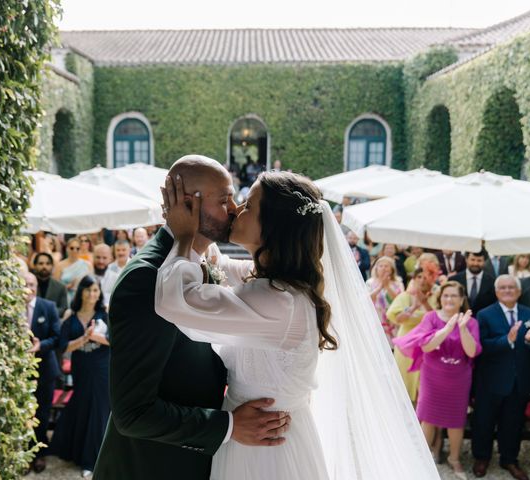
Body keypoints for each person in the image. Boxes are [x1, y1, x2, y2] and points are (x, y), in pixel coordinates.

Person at [152, 167, 439, 479]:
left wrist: (183, 236)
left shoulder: (280, 302)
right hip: (254, 437)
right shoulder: (273, 282)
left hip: (270, 453)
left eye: (248, 205)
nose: (235, 209)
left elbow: (174, 299)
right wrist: (201, 220)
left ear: (273, 228)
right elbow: (218, 265)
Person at [92, 156, 293, 480]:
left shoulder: (198, 262)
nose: (234, 208)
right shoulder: (147, 278)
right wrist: (228, 426)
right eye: (224, 199)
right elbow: (132, 413)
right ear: (187, 204)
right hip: (148, 467)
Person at [394, 282, 481, 479]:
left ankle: (454, 458)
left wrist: (463, 328)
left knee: (456, 420)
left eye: (453, 296)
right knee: (428, 418)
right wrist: (448, 328)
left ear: (461, 300)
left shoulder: (471, 322)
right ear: (440, 298)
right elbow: (426, 346)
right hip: (433, 374)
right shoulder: (431, 317)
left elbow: (471, 351)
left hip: (459, 377)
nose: (449, 299)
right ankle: (422, 459)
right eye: (445, 296)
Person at [49, 275, 111, 478]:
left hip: (102, 367)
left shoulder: (105, 313)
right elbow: (64, 346)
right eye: (88, 290)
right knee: (82, 402)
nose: (92, 294)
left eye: (95, 290)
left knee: (99, 408)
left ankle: (91, 460)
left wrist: (94, 337)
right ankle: (73, 448)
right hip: (81, 366)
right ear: (81, 292)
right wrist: (84, 338)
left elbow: (115, 340)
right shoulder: (71, 315)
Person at [471, 275, 530, 480]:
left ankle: (509, 460)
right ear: (497, 292)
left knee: (513, 423)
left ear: (519, 291)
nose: (507, 290)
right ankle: (482, 457)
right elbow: (482, 347)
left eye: (511, 287)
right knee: (484, 422)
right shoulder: (484, 315)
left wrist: (529, 342)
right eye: (503, 287)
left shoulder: (529, 313)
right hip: (490, 379)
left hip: (519, 380)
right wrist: (507, 340)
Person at [21, 272, 61, 474]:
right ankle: (23, 454)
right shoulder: (12, 307)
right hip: (20, 371)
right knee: (22, 412)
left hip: (45, 369)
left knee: (42, 412)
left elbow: (56, 337)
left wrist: (40, 346)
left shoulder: (48, 306)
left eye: (33, 284)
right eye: (26, 283)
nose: (30, 287)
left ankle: (39, 453)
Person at [386, 267, 437, 403]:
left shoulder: (437, 296)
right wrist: (414, 307)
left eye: (426, 277)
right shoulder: (404, 296)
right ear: (413, 279)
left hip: (428, 343)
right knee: (404, 377)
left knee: (424, 382)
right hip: (406, 343)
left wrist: (424, 303)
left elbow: (437, 319)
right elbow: (398, 318)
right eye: (419, 277)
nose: (422, 280)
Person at [366, 256, 404, 345]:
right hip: (377, 317)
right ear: (376, 268)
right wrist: (380, 287)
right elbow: (367, 300)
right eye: (381, 266)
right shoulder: (370, 282)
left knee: (393, 346)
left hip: (393, 318)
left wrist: (387, 287)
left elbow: (401, 300)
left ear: (391, 269)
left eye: (386, 266)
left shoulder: (398, 282)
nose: (383, 268)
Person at [53, 237, 93, 304]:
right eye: (72, 248)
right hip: (65, 298)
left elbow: (92, 284)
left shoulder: (87, 265)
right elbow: (55, 286)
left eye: (77, 248)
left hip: (84, 299)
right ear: (67, 249)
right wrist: (67, 286)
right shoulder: (59, 266)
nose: (75, 250)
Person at [33, 252, 68, 319]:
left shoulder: (60, 287)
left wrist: (48, 314)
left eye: (48, 264)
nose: (44, 266)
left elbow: (63, 308)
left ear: (52, 266)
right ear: (35, 266)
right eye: (41, 263)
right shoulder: (29, 286)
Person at [100, 240, 131, 308]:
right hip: (113, 306)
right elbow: (105, 290)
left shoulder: (134, 266)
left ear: (129, 250)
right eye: (118, 250)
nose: (121, 252)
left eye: (123, 250)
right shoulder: (110, 268)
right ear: (114, 251)